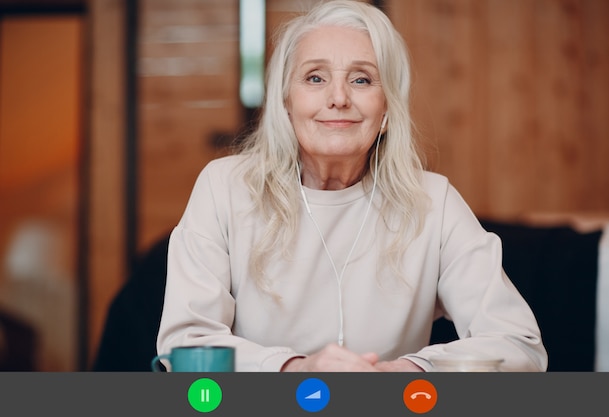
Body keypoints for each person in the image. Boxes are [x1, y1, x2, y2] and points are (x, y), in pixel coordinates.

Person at [156, 0, 548, 372]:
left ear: (388, 109)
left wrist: (403, 371)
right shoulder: (224, 187)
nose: (339, 98)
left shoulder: (434, 200)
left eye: (362, 79)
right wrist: (296, 369)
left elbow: (518, 344)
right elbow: (187, 342)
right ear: (285, 102)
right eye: (315, 77)